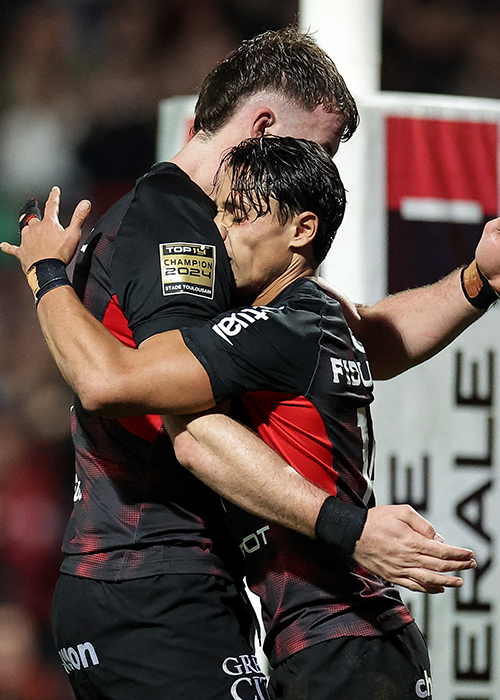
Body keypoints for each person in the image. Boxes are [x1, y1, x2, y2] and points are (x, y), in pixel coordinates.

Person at [2, 25, 494, 699]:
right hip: (155, 585)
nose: (315, 180)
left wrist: (477, 280)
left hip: (158, 583)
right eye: (311, 151)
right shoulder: (182, 231)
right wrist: (351, 530)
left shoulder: (229, 258)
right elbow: (176, 421)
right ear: (262, 128)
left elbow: (353, 338)